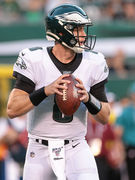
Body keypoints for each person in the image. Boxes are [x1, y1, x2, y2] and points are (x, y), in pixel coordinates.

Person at [7, 4, 110, 180]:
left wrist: (88, 99)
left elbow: (105, 117)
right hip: (39, 147)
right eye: (78, 29)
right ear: (61, 32)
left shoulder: (94, 62)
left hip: (76, 146)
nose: (84, 35)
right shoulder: (35, 59)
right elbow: (12, 110)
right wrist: (45, 91)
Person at [115, 82, 135, 180]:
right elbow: (119, 131)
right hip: (131, 147)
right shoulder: (127, 111)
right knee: (131, 173)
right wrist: (120, 148)